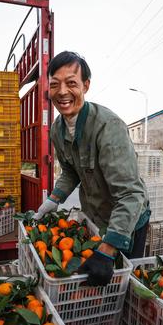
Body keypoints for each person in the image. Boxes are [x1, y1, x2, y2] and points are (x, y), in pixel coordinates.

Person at [34, 51, 150, 286]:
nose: (63, 92)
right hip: (97, 218)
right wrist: (54, 199)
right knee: (94, 286)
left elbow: (131, 194)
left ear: (85, 86)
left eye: (71, 83)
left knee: (123, 285)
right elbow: (70, 170)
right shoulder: (58, 129)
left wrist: (107, 250)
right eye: (55, 84)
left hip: (127, 224)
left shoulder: (108, 127)